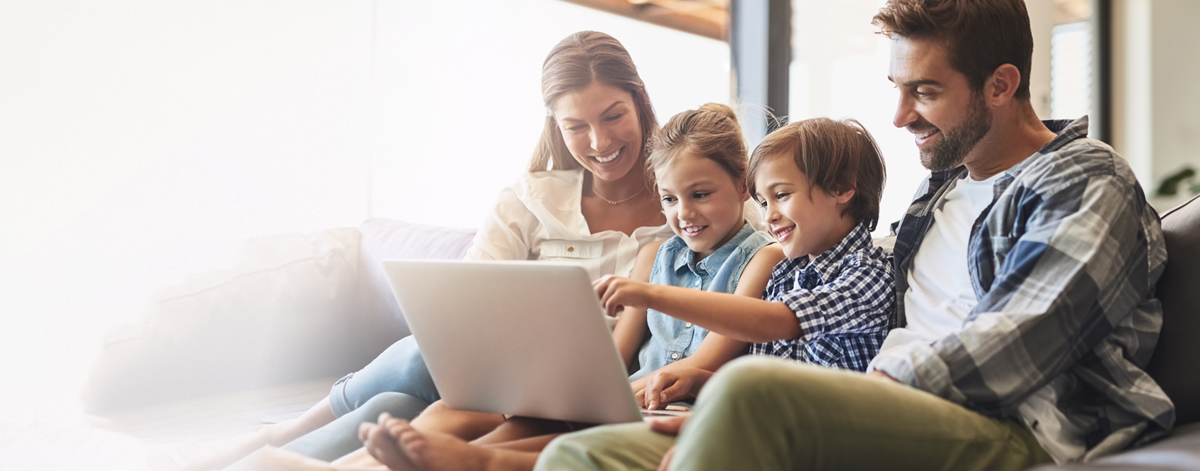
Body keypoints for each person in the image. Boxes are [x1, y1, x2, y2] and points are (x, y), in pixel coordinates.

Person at [535, 0, 1175, 470]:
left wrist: (848, 394)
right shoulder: (941, 192)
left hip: (1016, 426)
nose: (899, 117)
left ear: (1001, 85)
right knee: (580, 453)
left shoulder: (1085, 181)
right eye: (897, 90)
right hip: (891, 408)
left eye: (924, 92)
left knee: (749, 392)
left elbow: (1026, 339)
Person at [160, 31, 759, 471]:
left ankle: (298, 455)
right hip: (510, 362)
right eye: (576, 126)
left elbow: (748, 261)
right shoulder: (534, 197)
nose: (600, 142)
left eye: (613, 117)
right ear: (553, 125)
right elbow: (469, 306)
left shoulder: (691, 205)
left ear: (639, 104)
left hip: (606, 379)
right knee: (423, 362)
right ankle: (276, 449)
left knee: (403, 398)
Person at [358, 112, 894, 471]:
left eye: (781, 197)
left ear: (844, 191)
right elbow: (636, 360)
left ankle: (479, 463)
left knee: (575, 435)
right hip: (695, 397)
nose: (772, 214)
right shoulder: (794, 267)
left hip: (780, 420)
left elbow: (768, 325)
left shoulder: (846, 270)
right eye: (768, 199)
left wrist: (648, 297)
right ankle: (424, 457)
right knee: (486, 409)